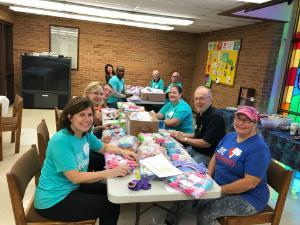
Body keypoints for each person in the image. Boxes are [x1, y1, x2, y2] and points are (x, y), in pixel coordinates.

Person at [34, 97, 137, 225]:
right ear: (70, 117)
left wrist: (123, 152)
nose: (87, 119)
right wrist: (111, 172)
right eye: (81, 115)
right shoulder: (60, 141)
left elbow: (103, 147)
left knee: (111, 194)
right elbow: (75, 177)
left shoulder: (84, 134)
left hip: (70, 187)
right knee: (111, 206)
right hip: (53, 200)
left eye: (89, 114)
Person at [197, 106, 271, 225]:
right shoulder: (230, 136)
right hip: (220, 186)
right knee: (198, 200)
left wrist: (220, 190)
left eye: (246, 120)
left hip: (249, 197)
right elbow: (216, 156)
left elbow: (250, 183)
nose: (240, 123)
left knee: (207, 211)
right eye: (238, 118)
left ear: (255, 124)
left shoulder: (259, 149)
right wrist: (209, 176)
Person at [171, 86, 226, 166]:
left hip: (207, 155)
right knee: (171, 157)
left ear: (210, 99)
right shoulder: (200, 113)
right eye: (196, 99)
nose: (198, 101)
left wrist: (184, 139)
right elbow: (197, 135)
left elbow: (206, 143)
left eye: (201, 98)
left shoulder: (216, 117)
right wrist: (181, 134)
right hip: (194, 149)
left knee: (181, 167)